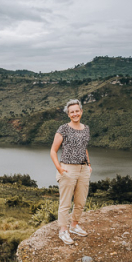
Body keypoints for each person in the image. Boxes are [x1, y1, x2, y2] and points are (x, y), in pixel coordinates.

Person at [50, 99, 91, 245]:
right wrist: (59, 168)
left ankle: (74, 226)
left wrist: (89, 164)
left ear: (81, 111)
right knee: (65, 203)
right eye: (71, 112)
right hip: (68, 168)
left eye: (77, 111)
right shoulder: (63, 129)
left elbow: (84, 147)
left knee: (80, 201)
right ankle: (63, 230)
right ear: (68, 114)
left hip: (83, 169)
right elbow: (53, 151)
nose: (75, 114)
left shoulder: (86, 128)